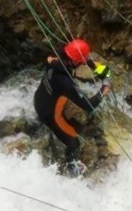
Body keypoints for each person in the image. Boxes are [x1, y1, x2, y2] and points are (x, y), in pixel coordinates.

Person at [33, 38, 111, 176]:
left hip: (39, 98)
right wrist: (104, 88)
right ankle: (71, 168)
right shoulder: (66, 83)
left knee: (65, 98)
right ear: (74, 61)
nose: (83, 62)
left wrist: (97, 68)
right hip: (49, 114)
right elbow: (88, 105)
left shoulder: (56, 55)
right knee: (74, 142)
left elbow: (82, 59)